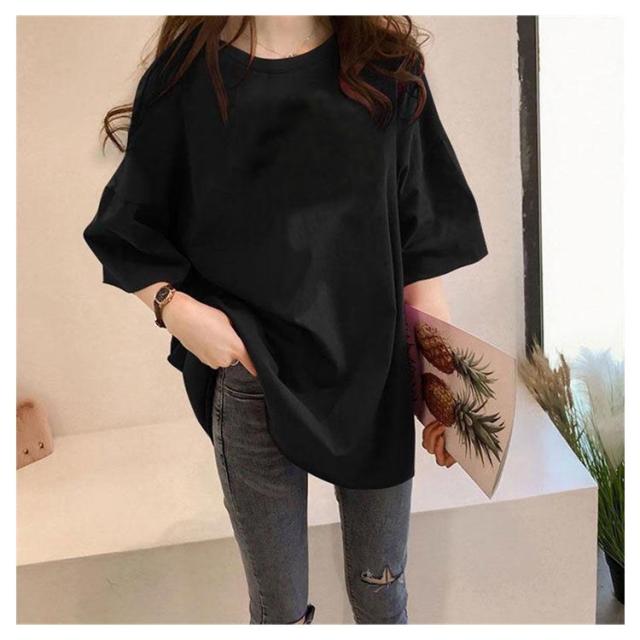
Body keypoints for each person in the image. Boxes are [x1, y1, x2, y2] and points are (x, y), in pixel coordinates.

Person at [83, 15, 488, 624]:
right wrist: (178, 312)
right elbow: (126, 225)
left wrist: (439, 390)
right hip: (253, 378)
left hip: (373, 376)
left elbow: (420, 244)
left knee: (383, 599)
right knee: (280, 615)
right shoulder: (185, 79)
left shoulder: (388, 70)